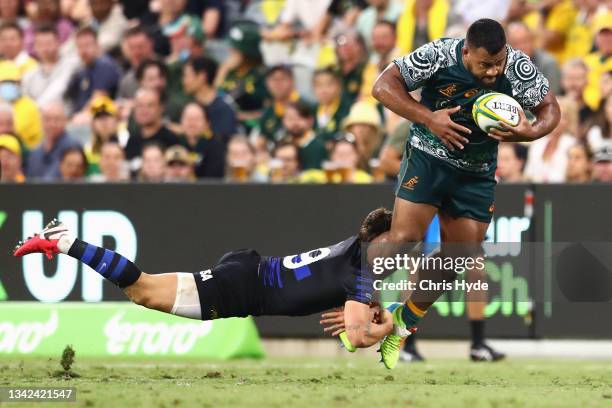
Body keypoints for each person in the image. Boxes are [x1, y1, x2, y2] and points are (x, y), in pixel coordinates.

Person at [368, 18, 559, 369]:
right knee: (405, 238)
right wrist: (429, 118)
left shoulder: (516, 66)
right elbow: (382, 87)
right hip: (429, 157)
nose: (492, 71)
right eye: (484, 64)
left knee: (463, 255)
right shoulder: (438, 54)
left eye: (497, 63)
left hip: (477, 171)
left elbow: (550, 110)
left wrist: (529, 133)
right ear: (466, 50)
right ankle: (354, 279)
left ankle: (403, 323)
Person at [13, 208, 396, 351]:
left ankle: (66, 241)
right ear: (377, 239)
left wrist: (363, 310)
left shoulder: (354, 253)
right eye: (395, 244)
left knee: (142, 292)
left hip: (250, 272)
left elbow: (349, 315)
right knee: (143, 291)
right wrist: (390, 323)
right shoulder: (360, 273)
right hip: (246, 288)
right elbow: (359, 338)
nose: (398, 253)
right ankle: (65, 241)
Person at [65, 26, 121, 114]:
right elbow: (67, 97)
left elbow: (98, 99)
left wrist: (78, 117)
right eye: (80, 46)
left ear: (97, 45)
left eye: (87, 45)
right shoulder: (81, 70)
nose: (83, 51)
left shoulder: (105, 66)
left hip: (100, 117)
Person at [22, 25, 77, 107]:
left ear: (58, 43)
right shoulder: (29, 75)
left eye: (48, 43)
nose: (45, 48)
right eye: (40, 44)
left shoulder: (73, 66)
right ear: (35, 46)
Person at [524, 97, 577, 183]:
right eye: (552, 114)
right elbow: (528, 174)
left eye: (562, 116)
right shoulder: (537, 143)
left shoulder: (572, 144)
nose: (555, 120)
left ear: (569, 121)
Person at [26, 101, 81, 181]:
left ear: (65, 121)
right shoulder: (35, 152)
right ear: (41, 121)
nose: (52, 124)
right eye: (47, 119)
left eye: (57, 119)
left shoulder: (73, 147)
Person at [125, 88, 179, 164]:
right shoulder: (132, 141)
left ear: (160, 108)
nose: (144, 110)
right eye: (139, 106)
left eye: (150, 105)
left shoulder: (171, 140)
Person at [0, 60, 42, 149]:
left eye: (12, 82)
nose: (8, 86)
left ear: (19, 84)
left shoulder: (30, 106)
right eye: (4, 82)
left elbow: (17, 131)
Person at [178, 102, 224, 178]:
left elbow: (214, 181)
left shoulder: (216, 146)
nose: (191, 123)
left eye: (196, 119)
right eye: (188, 118)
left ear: (207, 123)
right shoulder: (175, 143)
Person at [283, 101, 328, 170]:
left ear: (310, 120)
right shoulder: (282, 143)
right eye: (290, 118)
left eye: (299, 118)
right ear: (284, 121)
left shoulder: (318, 146)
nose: (295, 123)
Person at [312, 67, 351, 143]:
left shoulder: (347, 109)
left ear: (339, 86)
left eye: (329, 85)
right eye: (319, 85)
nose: (324, 90)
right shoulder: (310, 111)